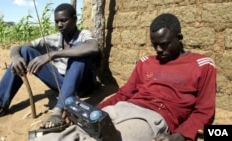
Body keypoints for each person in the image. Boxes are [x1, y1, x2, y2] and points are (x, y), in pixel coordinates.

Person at [30, 13, 216, 141]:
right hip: (122, 108)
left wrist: (181, 135)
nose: (159, 50)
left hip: (153, 118)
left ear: (179, 37)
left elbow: (204, 111)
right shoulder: (145, 62)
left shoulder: (202, 65)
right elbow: (124, 94)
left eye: (164, 44)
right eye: (154, 45)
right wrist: (92, 112)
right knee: (69, 134)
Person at [0, 3, 99, 130]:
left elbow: (92, 47)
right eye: (57, 21)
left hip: (82, 85)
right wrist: (15, 56)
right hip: (62, 84)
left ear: (75, 19)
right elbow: (19, 47)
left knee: (80, 50)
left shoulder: (83, 34)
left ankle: (59, 110)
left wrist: (52, 55)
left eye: (64, 20)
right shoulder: (53, 39)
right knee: (26, 51)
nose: (59, 25)